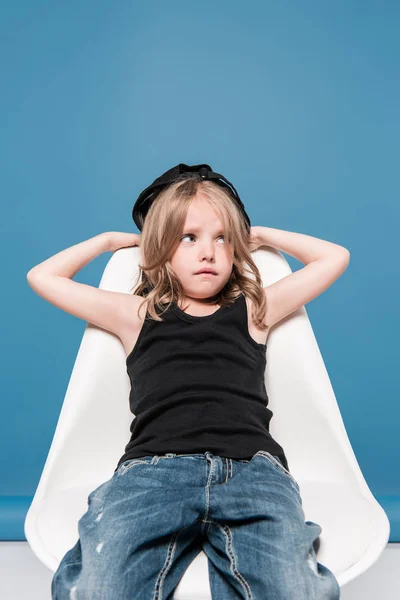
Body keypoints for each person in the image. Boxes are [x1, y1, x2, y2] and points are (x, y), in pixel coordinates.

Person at [27, 166, 348, 598]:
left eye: (222, 239)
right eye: (188, 237)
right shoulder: (136, 314)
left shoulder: (255, 309)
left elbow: (335, 258)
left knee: (293, 589)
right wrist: (107, 242)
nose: (209, 252)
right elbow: (42, 277)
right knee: (101, 589)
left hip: (250, 472)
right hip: (153, 473)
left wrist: (262, 235)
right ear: (159, 249)